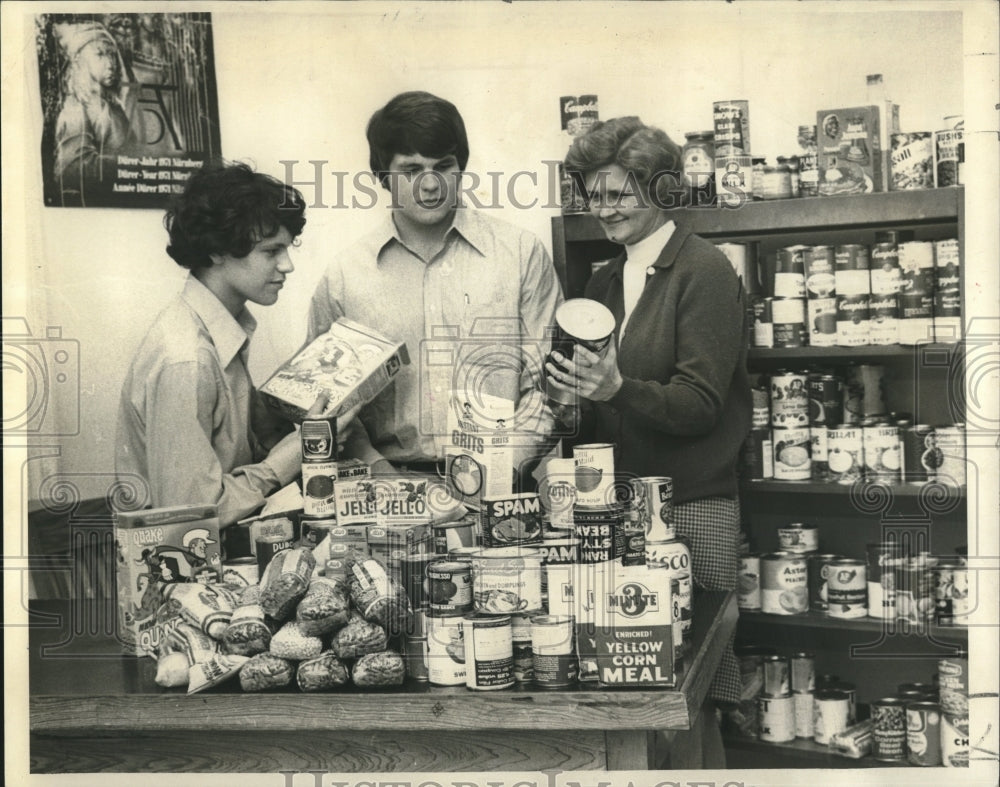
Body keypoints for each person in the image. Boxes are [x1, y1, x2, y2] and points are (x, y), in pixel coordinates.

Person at [548, 116, 751, 767]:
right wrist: (566, 402)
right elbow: (594, 414)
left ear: (660, 188)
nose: (602, 208)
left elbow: (699, 405)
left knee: (688, 699)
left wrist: (614, 388)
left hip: (693, 511)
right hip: (619, 515)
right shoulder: (603, 280)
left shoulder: (705, 270)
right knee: (633, 686)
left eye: (617, 194)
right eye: (592, 194)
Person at [307, 91, 563, 481]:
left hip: (502, 485)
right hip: (384, 490)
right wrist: (379, 469)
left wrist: (501, 469)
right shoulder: (344, 277)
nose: (430, 185)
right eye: (411, 171)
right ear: (382, 175)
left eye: (443, 166)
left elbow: (549, 386)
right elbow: (326, 401)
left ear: (461, 168)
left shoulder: (521, 254)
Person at [116, 161, 330, 527]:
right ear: (217, 251)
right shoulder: (187, 360)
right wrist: (298, 450)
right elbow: (190, 519)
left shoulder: (219, 328)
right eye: (270, 251)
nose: (288, 265)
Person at [52, 20, 137, 202]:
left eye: (112, 55)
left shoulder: (113, 106)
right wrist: (132, 165)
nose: (111, 64)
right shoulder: (76, 107)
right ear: (80, 60)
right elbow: (70, 171)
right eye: (100, 54)